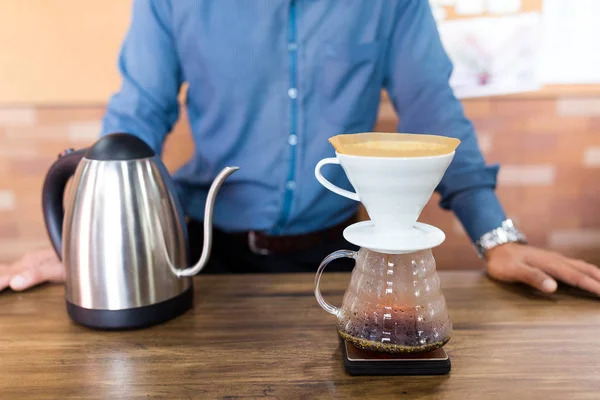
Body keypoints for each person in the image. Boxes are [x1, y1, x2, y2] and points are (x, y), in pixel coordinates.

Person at [1, 0, 599, 295]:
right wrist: (90, 240)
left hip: (334, 254)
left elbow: (433, 112)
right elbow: (137, 117)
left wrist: (497, 236)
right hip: (196, 251)